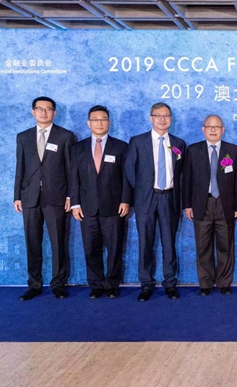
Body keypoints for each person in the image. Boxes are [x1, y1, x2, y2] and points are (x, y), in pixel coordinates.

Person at [14, 96, 75, 300]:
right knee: (32, 242)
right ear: (33, 112)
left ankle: (58, 284)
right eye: (39, 108)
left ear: (54, 113)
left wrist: (70, 195)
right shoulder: (23, 137)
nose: (43, 112)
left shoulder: (65, 136)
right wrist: (17, 196)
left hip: (56, 197)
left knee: (58, 242)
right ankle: (34, 284)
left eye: (48, 109)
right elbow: (20, 169)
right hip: (29, 197)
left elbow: (71, 169)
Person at [125, 102, 186, 302]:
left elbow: (181, 174)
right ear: (151, 118)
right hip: (146, 199)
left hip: (169, 198)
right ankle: (146, 284)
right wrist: (142, 191)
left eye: (166, 115)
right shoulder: (137, 141)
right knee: (146, 243)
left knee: (169, 243)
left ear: (171, 119)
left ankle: (170, 283)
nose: (162, 119)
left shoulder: (178, 143)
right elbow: (129, 170)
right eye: (158, 115)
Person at [70, 105, 132, 299]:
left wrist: (125, 200)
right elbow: (74, 178)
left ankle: (112, 284)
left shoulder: (121, 147)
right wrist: (75, 204)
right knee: (90, 248)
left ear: (109, 122)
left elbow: (127, 177)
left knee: (115, 248)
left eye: (103, 119)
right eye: (95, 119)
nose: (99, 123)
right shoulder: (77, 148)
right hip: (86, 208)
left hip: (114, 207)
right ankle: (96, 285)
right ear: (88, 123)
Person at [182, 115, 237, 296]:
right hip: (202, 203)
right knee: (203, 245)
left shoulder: (233, 150)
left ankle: (224, 282)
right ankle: (206, 283)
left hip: (226, 204)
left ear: (223, 130)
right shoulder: (193, 150)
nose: (213, 129)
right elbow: (187, 179)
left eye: (217, 126)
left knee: (226, 245)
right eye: (209, 126)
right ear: (203, 129)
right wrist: (187, 205)